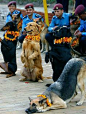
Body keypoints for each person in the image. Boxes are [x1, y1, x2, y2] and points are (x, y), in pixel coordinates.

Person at [45, 3, 72, 82]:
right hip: (57, 36)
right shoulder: (54, 18)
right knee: (47, 36)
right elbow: (50, 27)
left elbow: (73, 26)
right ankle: (54, 48)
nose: (56, 13)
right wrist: (53, 28)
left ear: (62, 11)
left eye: (58, 11)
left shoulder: (68, 16)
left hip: (66, 36)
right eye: (55, 11)